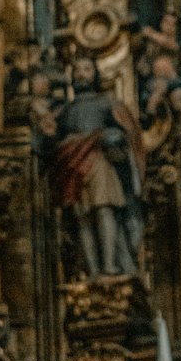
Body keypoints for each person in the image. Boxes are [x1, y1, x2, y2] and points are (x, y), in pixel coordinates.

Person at [51, 55, 145, 279]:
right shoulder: (66, 111)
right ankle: (93, 270)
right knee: (82, 217)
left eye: (86, 69)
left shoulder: (106, 103)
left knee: (104, 209)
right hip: (73, 167)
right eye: (77, 70)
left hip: (99, 161)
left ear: (95, 75)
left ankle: (110, 264)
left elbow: (129, 135)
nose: (81, 74)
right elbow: (52, 141)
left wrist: (112, 138)